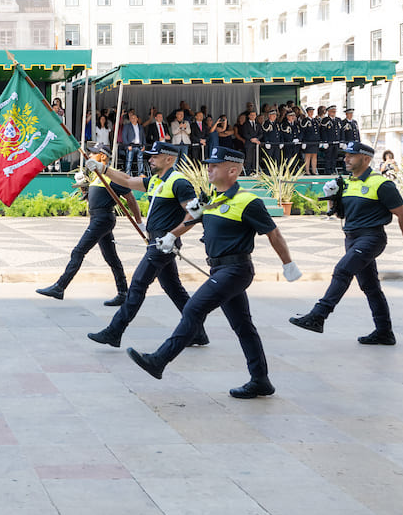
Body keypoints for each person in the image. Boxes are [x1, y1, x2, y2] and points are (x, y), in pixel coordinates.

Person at [125, 146, 302, 398]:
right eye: (209, 164)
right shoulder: (213, 199)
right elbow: (191, 218)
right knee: (243, 326)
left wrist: (288, 264)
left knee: (194, 309)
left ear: (232, 170)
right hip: (219, 268)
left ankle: (159, 359)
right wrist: (170, 236)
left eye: (214, 165)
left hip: (236, 269)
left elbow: (273, 234)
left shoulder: (248, 202)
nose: (208, 168)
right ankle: (260, 379)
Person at [289, 141, 403, 345]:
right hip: (351, 238)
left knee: (342, 270)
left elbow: (402, 213)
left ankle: (318, 315)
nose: (346, 159)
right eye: (345, 155)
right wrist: (332, 198)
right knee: (370, 287)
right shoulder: (348, 183)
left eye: (351, 155)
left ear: (366, 159)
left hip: (372, 237)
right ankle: (384, 332)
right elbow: (341, 214)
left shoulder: (381, 184)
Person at [84, 141, 209, 347]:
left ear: (169, 159)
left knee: (138, 284)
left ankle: (115, 331)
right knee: (173, 288)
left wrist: (172, 236)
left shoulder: (178, 182)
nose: (150, 159)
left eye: (154, 156)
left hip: (163, 243)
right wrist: (102, 169)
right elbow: (126, 180)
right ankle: (197, 333)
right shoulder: (156, 180)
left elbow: (194, 213)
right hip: (158, 241)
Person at [36, 141, 140, 303]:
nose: (89, 155)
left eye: (93, 153)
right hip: (98, 218)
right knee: (111, 258)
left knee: (78, 251)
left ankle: (60, 287)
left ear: (103, 156)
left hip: (102, 219)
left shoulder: (112, 177)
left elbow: (131, 198)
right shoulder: (97, 176)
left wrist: (139, 221)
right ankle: (123, 293)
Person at [320, 105, 343, 175]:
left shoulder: (338, 120)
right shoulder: (325, 120)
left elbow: (341, 131)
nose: (334, 113)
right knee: (328, 157)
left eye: (335, 111)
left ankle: (333, 169)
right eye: (332, 111)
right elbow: (323, 131)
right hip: (329, 142)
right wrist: (325, 141)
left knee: (334, 157)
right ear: (329, 112)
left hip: (336, 141)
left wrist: (342, 140)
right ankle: (328, 170)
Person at [300, 106, 321, 175]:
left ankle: (314, 171)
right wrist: (303, 141)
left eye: (312, 111)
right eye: (310, 111)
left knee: (314, 156)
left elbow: (318, 130)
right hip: (308, 140)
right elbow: (303, 131)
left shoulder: (315, 120)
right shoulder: (305, 120)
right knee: (308, 156)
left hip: (315, 141)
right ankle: (307, 171)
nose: (311, 113)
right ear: (307, 112)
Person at [240, 110, 262, 174]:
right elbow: (245, 134)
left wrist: (257, 139)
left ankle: (255, 172)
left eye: (254, 115)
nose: (253, 116)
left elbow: (261, 133)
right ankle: (248, 173)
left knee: (255, 159)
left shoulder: (258, 124)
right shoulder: (245, 124)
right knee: (249, 159)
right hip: (249, 144)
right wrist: (251, 139)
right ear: (249, 116)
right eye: (251, 115)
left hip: (256, 144)